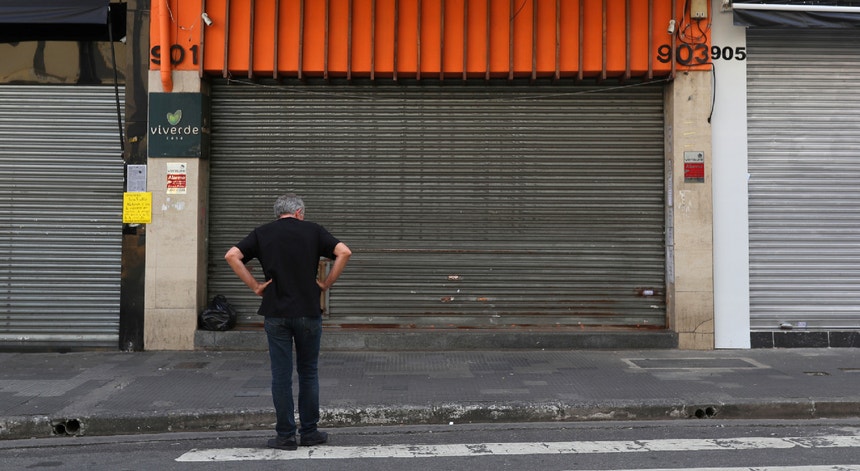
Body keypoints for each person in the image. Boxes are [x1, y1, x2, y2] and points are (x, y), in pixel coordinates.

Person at [225, 193, 351, 451]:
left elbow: (231, 256)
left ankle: (285, 436)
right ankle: (310, 432)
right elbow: (344, 252)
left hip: (276, 313)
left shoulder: (262, 233)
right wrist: (325, 285)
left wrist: (256, 286)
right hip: (308, 311)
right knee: (308, 373)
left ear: (279, 213)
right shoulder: (313, 231)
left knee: (280, 376)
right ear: (298, 212)